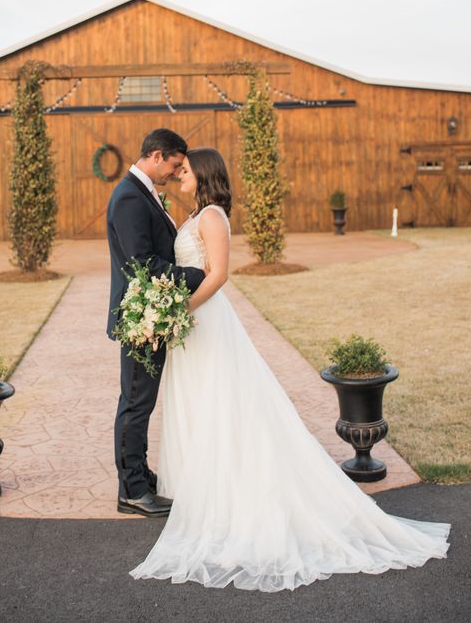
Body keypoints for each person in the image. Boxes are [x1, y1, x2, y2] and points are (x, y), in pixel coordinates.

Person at [130, 147, 450, 591]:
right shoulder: (198, 213)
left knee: (221, 402)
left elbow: (218, 275)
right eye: (177, 168)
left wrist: (178, 310)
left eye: (185, 170)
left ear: (203, 175)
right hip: (193, 325)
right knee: (199, 403)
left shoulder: (212, 217)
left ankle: (235, 495)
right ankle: (205, 491)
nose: (179, 175)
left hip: (204, 320)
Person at [106, 129, 206, 517]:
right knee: (135, 404)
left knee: (141, 403)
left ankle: (139, 476)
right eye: (176, 165)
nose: (176, 173)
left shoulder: (141, 192)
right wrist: (199, 275)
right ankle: (131, 491)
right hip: (140, 318)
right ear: (158, 156)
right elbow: (142, 266)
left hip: (152, 313)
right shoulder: (130, 197)